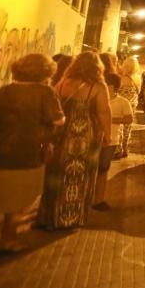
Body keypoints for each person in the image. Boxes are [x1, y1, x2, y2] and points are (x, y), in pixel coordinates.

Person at [0, 54, 64, 252]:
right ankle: (8, 239)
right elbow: (58, 121)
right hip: (26, 149)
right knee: (18, 195)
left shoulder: (4, 90)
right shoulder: (45, 92)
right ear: (46, 71)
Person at [38, 52, 111, 230]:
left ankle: (49, 217)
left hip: (62, 134)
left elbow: (53, 103)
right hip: (85, 137)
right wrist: (108, 135)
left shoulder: (63, 82)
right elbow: (104, 111)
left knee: (55, 174)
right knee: (80, 176)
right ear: (97, 67)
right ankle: (70, 218)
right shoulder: (98, 86)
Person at [92, 74, 132, 210]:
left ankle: (99, 199)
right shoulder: (97, 99)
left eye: (105, 84)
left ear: (112, 87)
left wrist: (109, 120)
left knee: (103, 169)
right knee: (92, 169)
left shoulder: (122, 102)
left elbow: (129, 119)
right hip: (94, 139)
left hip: (111, 140)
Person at [116, 56, 141, 157]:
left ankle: (119, 149)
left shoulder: (121, 78)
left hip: (122, 105)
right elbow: (138, 92)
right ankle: (125, 148)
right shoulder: (137, 78)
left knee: (120, 126)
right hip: (132, 104)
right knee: (128, 126)